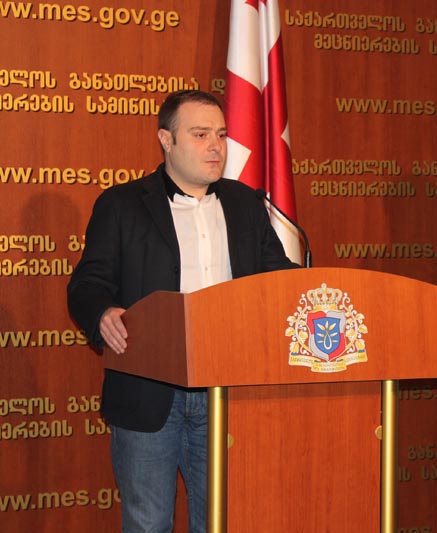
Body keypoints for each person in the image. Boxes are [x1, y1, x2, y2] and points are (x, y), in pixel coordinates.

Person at [67, 90, 298, 532]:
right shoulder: (122, 204)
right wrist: (102, 313)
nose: (216, 146)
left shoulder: (246, 204)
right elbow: (87, 284)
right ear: (166, 140)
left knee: (221, 521)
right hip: (149, 389)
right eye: (200, 134)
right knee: (148, 522)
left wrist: (315, 291)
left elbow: (277, 278)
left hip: (227, 389)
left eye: (222, 135)